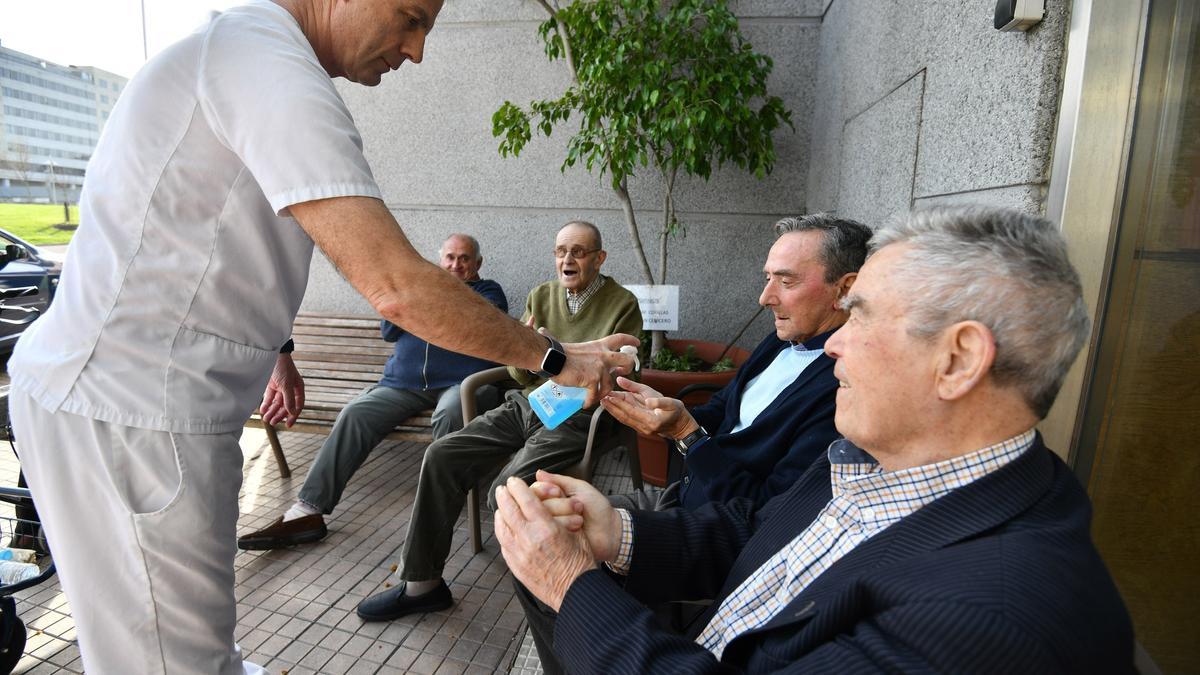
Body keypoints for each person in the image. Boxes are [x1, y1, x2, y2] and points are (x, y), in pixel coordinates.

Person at [5, 1, 635, 673]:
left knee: (191, 653)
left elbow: (209, 233)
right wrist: (553, 358)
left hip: (143, 408)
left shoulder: (249, 56)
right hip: (133, 417)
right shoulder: (263, 58)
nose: (417, 50)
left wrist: (278, 354)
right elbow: (394, 283)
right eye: (410, 16)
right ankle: (391, 556)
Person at [495, 206, 1135, 674]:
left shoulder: (990, 619)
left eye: (862, 316)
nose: (833, 341)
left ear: (959, 359)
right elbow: (758, 534)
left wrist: (572, 583)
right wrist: (616, 533)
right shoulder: (875, 459)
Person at [354, 220, 643, 622]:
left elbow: (621, 373)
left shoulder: (622, 303)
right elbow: (520, 373)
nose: (567, 259)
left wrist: (559, 358)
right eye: (561, 251)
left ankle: (567, 592)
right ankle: (423, 584)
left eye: (578, 251)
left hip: (579, 415)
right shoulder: (542, 296)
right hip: (528, 405)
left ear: (599, 258)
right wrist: (526, 355)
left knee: (503, 493)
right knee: (442, 455)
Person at [237, 234, 508, 550]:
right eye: (450, 257)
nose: (456, 264)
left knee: (449, 412)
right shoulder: (417, 289)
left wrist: (433, 296)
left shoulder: (489, 292)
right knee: (356, 413)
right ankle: (308, 510)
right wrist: (420, 292)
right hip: (404, 385)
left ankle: (442, 501)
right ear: (440, 260)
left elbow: (481, 324)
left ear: (478, 264)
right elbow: (389, 328)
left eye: (464, 258)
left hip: (460, 384)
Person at [602, 213, 871, 513]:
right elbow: (723, 409)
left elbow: (764, 512)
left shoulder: (843, 388)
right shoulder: (781, 340)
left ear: (845, 290)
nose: (764, 297)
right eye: (768, 278)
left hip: (708, 534)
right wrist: (665, 413)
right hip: (682, 497)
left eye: (786, 281)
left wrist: (687, 434)